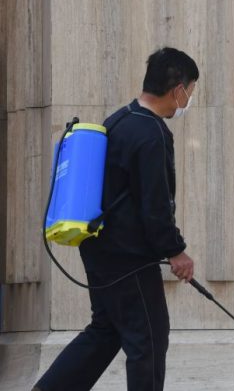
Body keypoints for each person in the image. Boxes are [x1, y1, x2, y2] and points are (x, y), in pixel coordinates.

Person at [34, 47, 198, 391]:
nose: (188, 101)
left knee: (106, 331)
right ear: (178, 88)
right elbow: (155, 204)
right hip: (130, 258)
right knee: (149, 339)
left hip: (98, 248)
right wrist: (176, 250)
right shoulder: (152, 132)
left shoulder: (119, 120)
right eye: (190, 92)